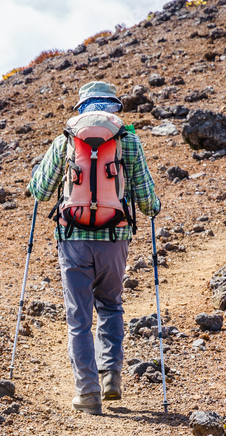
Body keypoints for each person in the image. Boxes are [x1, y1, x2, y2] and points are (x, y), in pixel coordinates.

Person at [27, 81, 161, 415]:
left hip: (72, 239)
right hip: (115, 238)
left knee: (78, 319)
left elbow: (41, 192)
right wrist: (154, 207)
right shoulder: (128, 141)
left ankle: (88, 393)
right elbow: (146, 200)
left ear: (82, 108)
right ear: (114, 107)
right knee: (111, 306)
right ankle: (111, 377)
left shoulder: (66, 140)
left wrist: (35, 178)